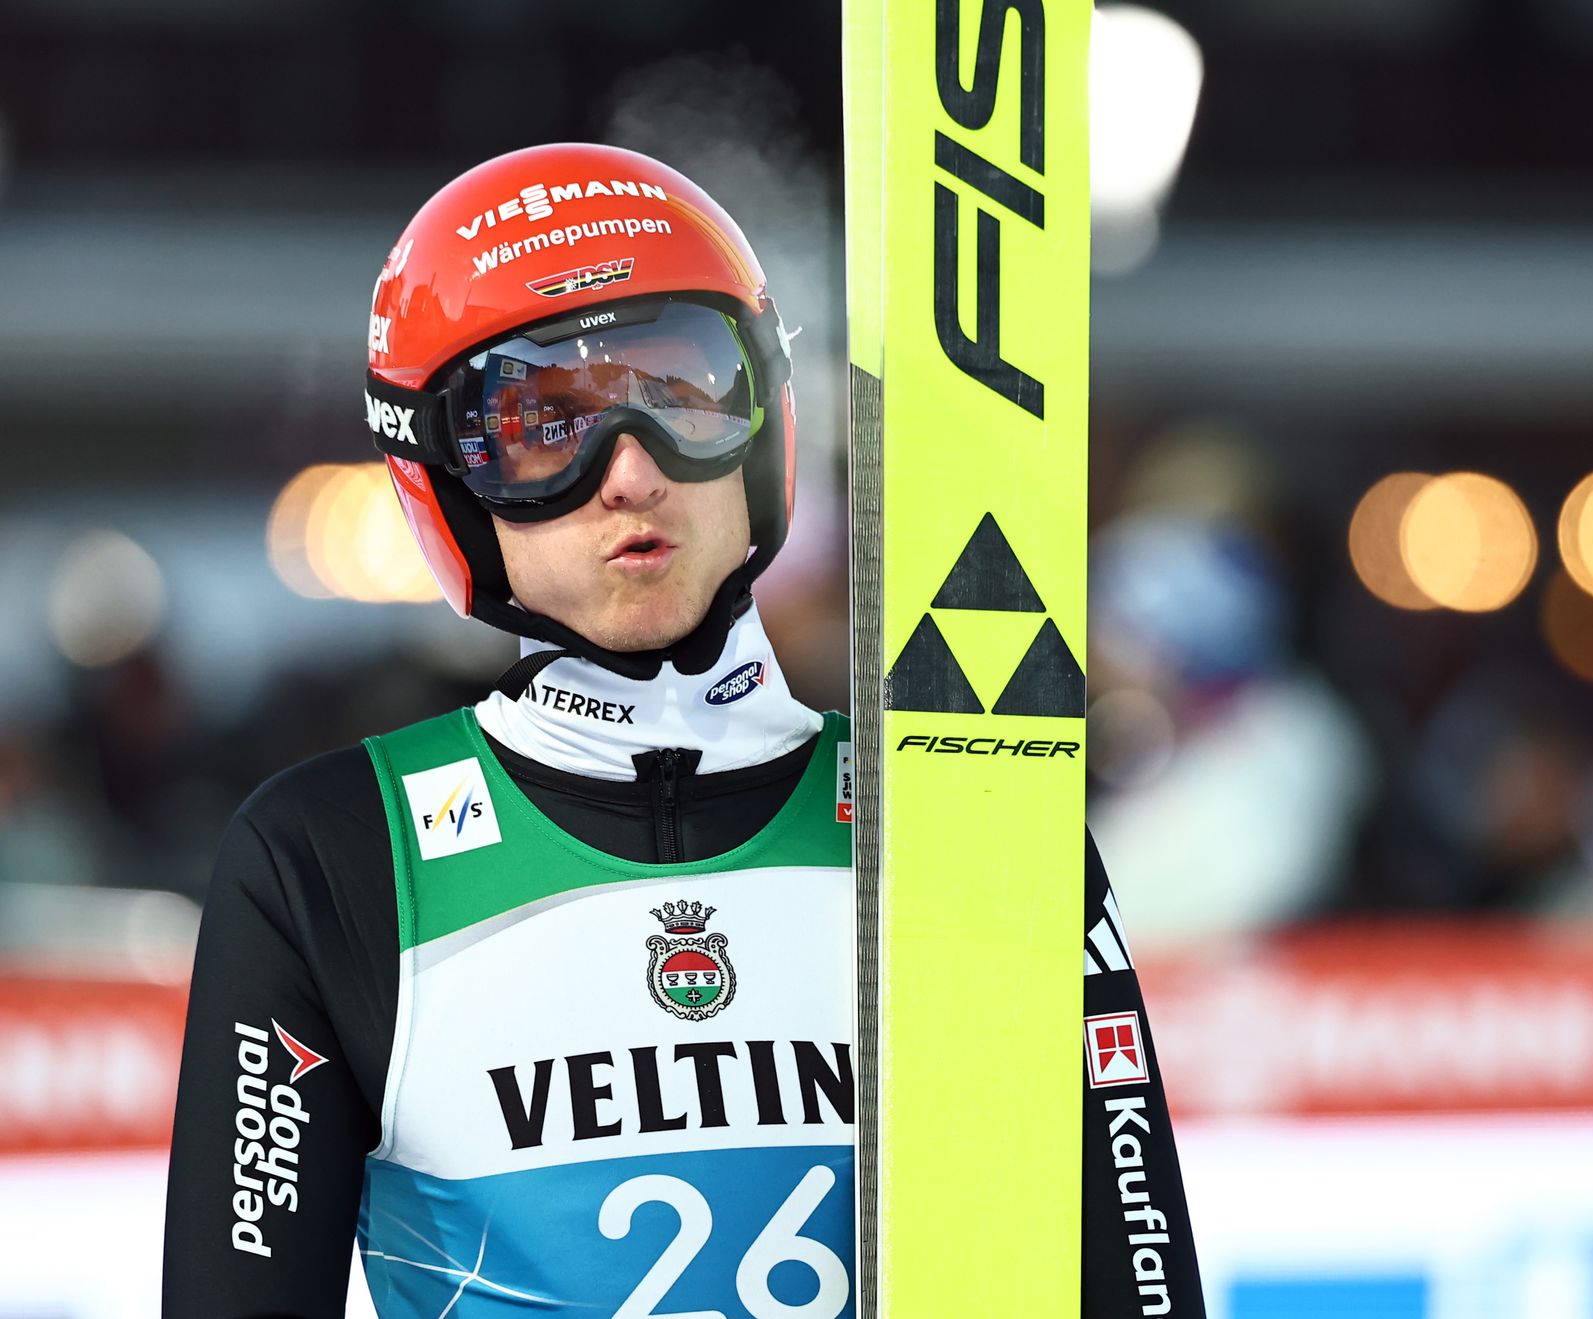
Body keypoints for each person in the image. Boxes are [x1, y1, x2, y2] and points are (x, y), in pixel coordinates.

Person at [162, 142, 1204, 1318]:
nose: (628, 473)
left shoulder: (964, 818)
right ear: (448, 477)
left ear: (762, 425)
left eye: (677, 391)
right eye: (542, 423)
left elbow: (1139, 1284)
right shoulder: (333, 858)